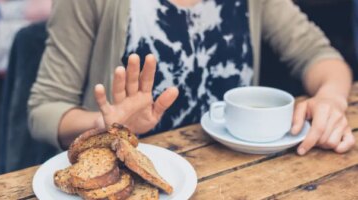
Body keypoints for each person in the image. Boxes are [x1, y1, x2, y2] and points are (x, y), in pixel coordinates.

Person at [28, 0, 355, 156]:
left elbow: (319, 56)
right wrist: (106, 124)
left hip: (236, 176)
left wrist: (331, 99)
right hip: (127, 178)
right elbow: (43, 110)